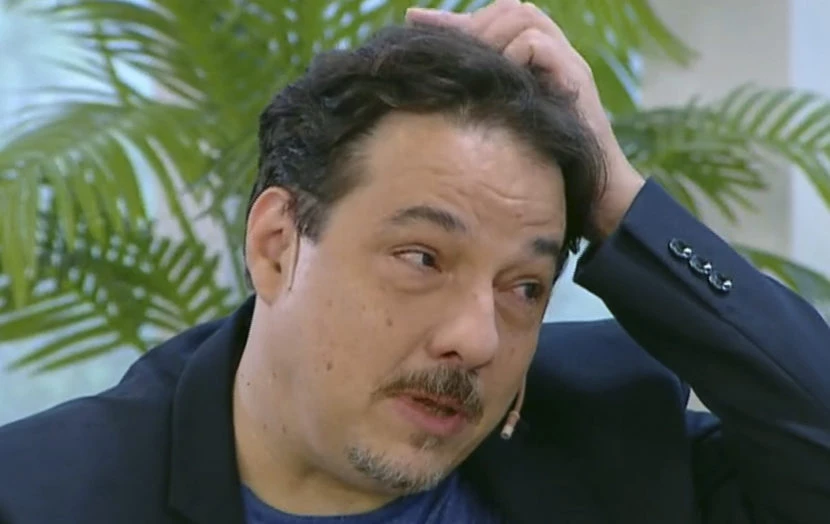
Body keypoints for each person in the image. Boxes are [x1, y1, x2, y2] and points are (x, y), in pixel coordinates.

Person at [1, 1, 829, 522]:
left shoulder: (612, 449)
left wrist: (617, 196)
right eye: (423, 257)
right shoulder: (46, 493)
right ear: (277, 245)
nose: (476, 339)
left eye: (524, 286)